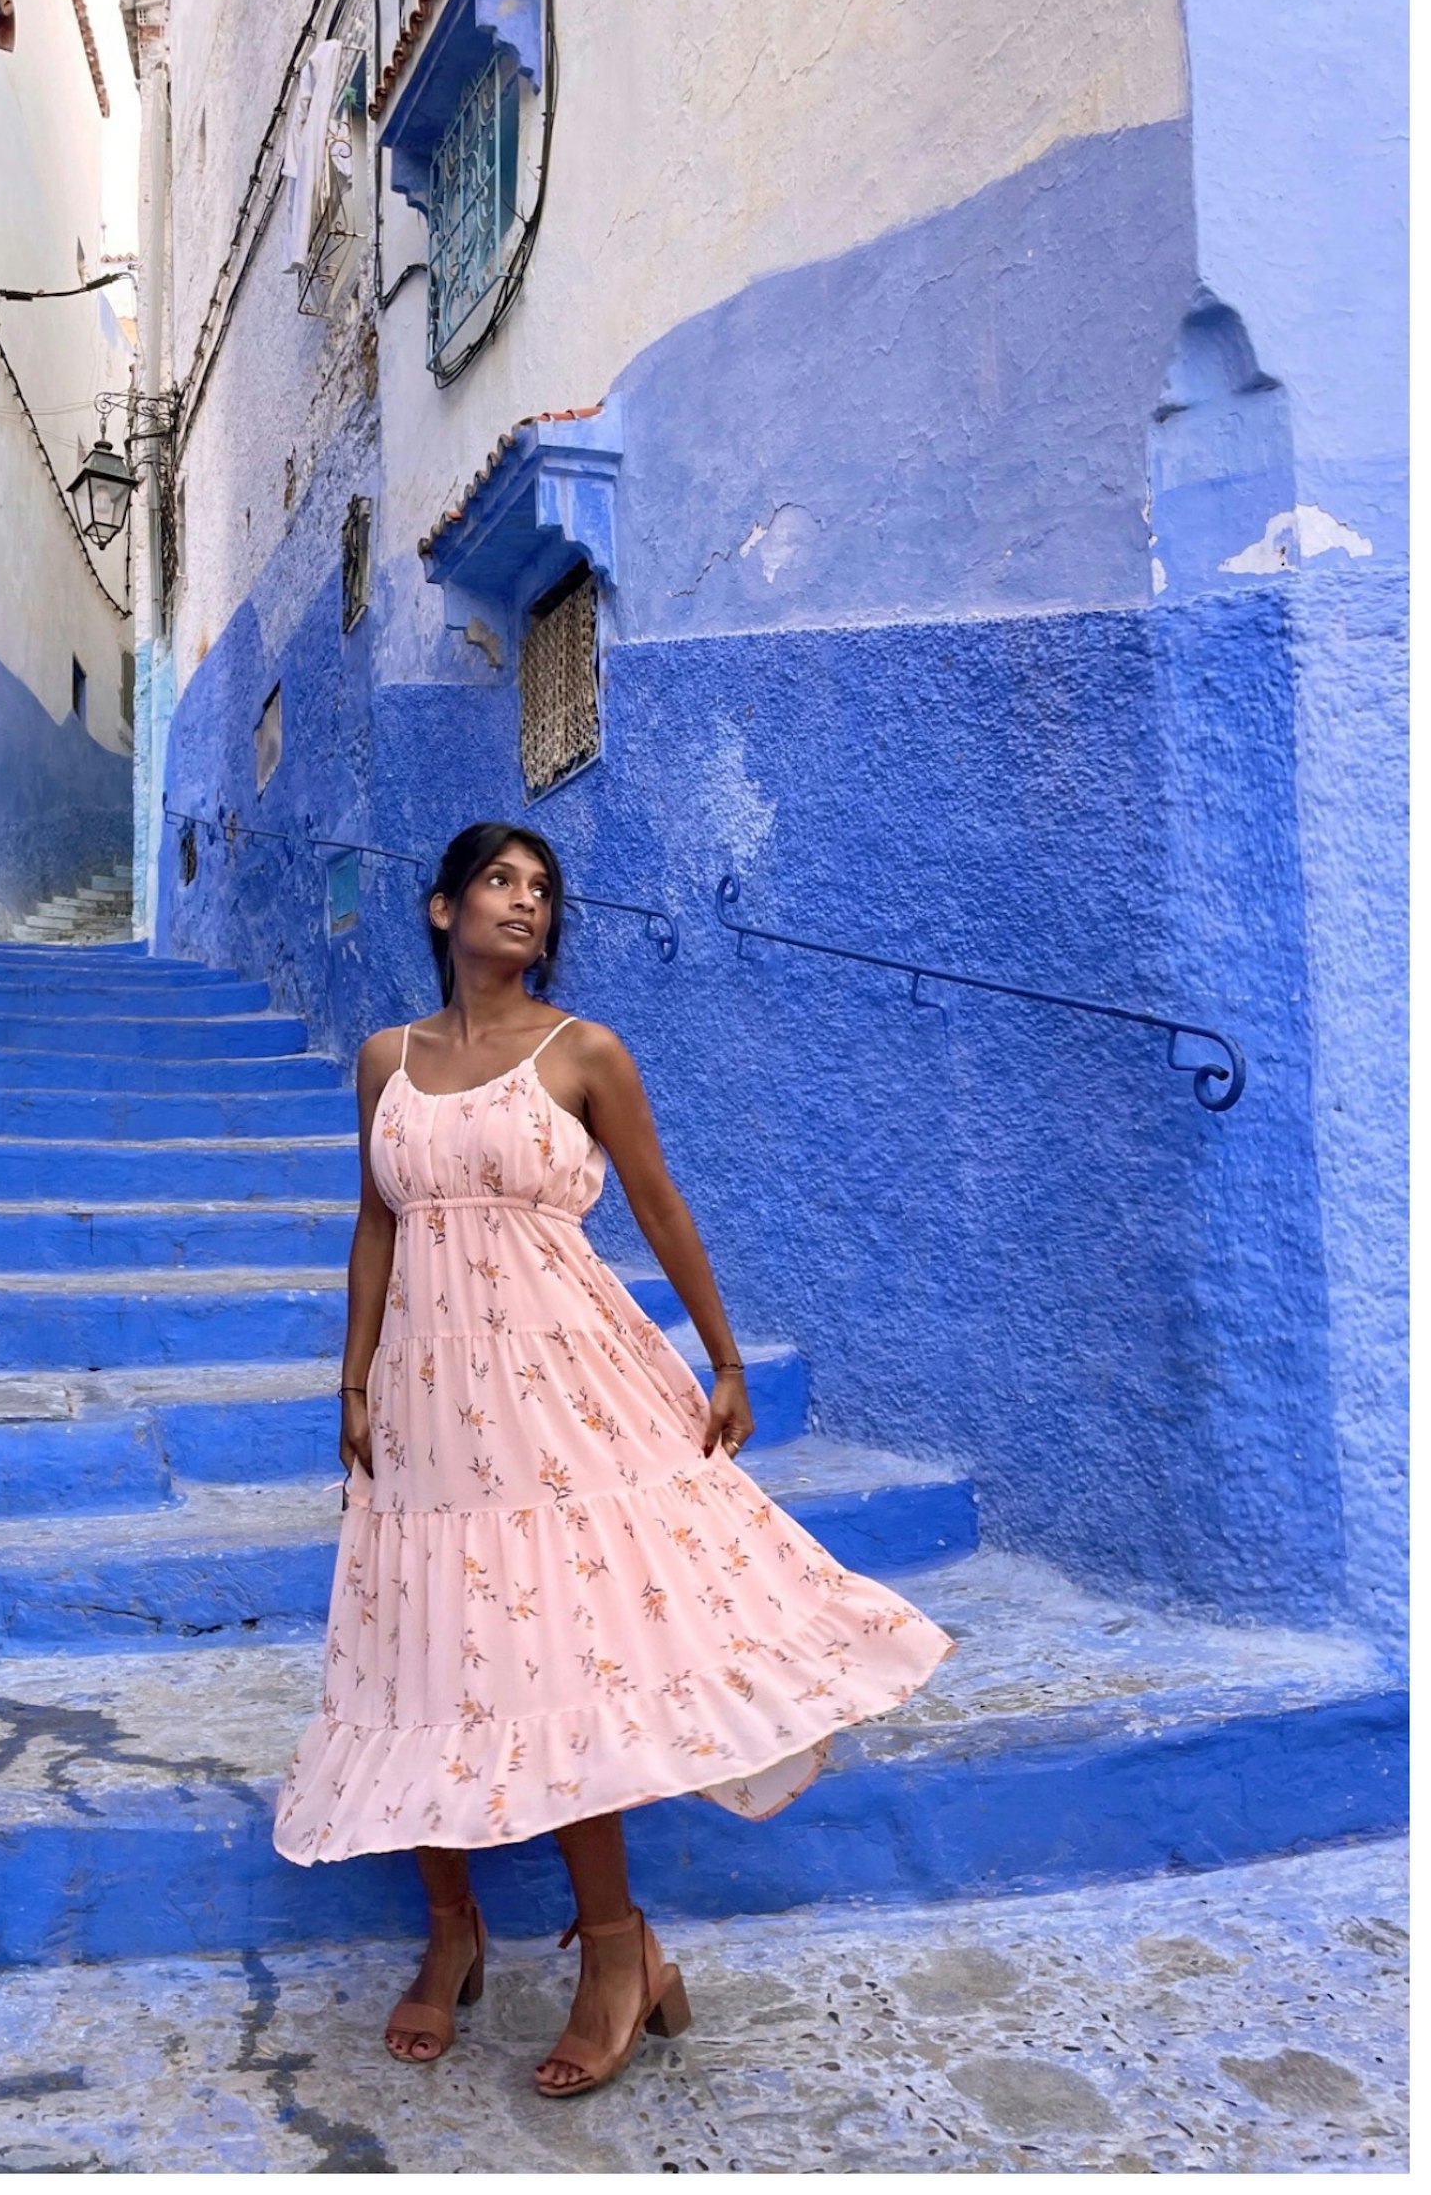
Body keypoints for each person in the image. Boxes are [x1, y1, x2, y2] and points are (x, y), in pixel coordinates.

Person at [270, 822, 950, 2097]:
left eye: (542, 890)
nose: (524, 903)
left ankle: (618, 1947)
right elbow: (378, 1223)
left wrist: (728, 1358)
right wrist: (351, 1379)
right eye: (499, 882)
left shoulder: (584, 1052)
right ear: (441, 908)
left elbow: (658, 1201)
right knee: (422, 1643)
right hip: (426, 1398)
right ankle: (454, 1929)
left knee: (556, 1649)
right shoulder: (384, 1064)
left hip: (559, 1388)